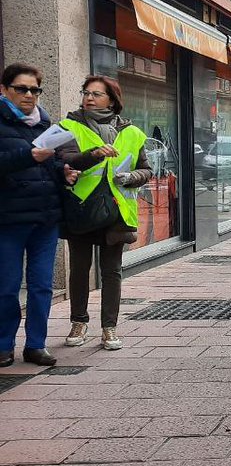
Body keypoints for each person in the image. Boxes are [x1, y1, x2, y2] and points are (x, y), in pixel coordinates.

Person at [58, 76, 152, 351]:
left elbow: (146, 169)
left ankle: (109, 328)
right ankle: (79, 322)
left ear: (112, 99)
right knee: (79, 269)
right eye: (86, 92)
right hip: (82, 207)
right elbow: (64, 160)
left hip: (117, 210)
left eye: (96, 94)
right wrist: (95, 154)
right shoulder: (69, 126)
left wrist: (133, 176)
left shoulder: (132, 132)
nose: (89, 98)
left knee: (112, 271)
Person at [0, 63, 80, 367]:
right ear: (4, 90)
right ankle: (3, 345)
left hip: (45, 217)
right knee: (7, 287)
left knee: (42, 285)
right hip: (8, 218)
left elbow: (50, 164)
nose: (29, 95)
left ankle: (36, 344)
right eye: (22, 88)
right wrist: (28, 155)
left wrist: (64, 171)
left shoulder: (44, 123)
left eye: (35, 89)